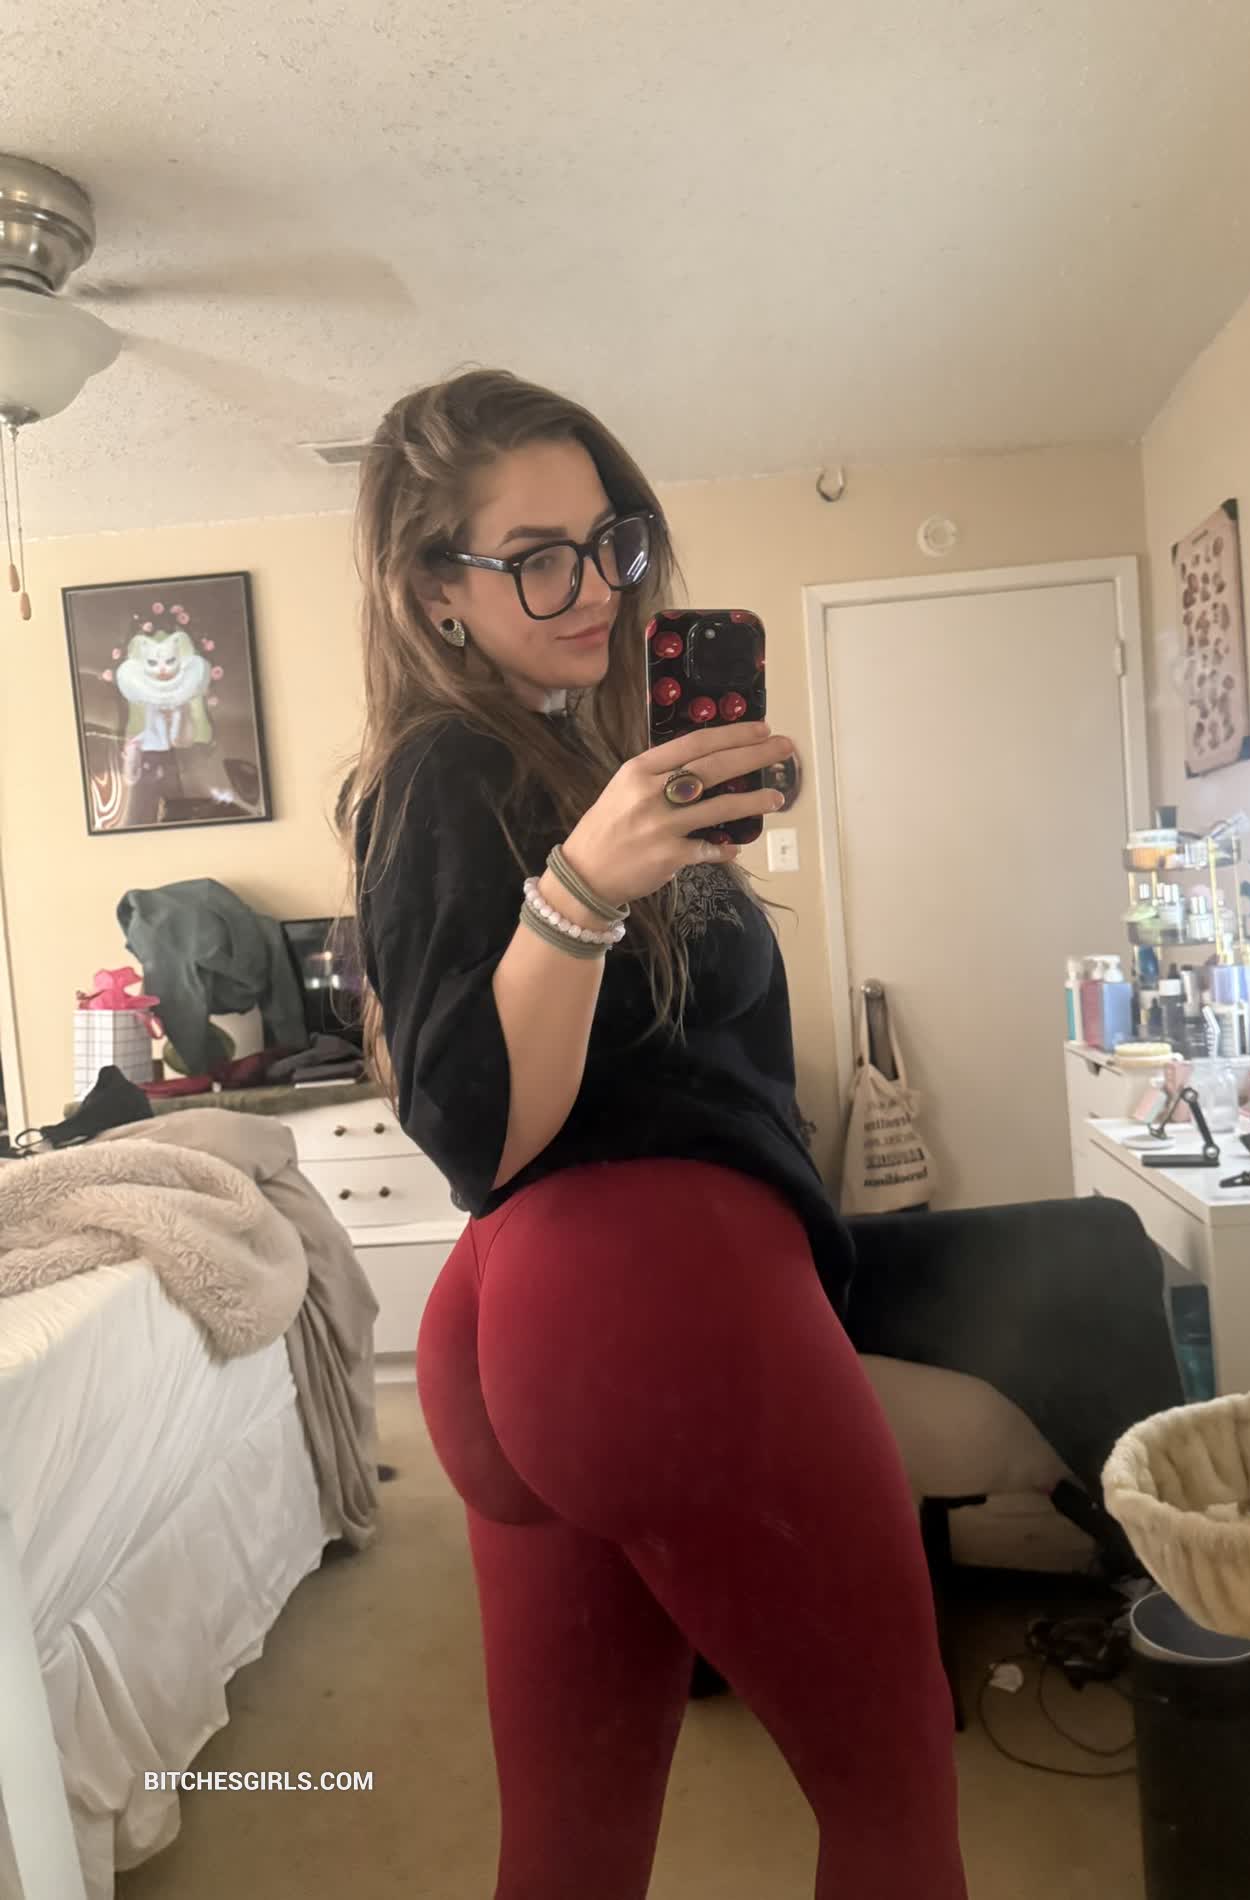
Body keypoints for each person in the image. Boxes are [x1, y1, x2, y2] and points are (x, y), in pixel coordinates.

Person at [344, 367, 968, 1900]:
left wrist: (643, 849)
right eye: (533, 558)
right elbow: (478, 1133)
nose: (593, 588)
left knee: (571, 1847)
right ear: (434, 591)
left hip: (546, 1324)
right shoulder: (448, 767)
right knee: (895, 1812)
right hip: (650, 1305)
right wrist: (581, 890)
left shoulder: (565, 754)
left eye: (609, 540)